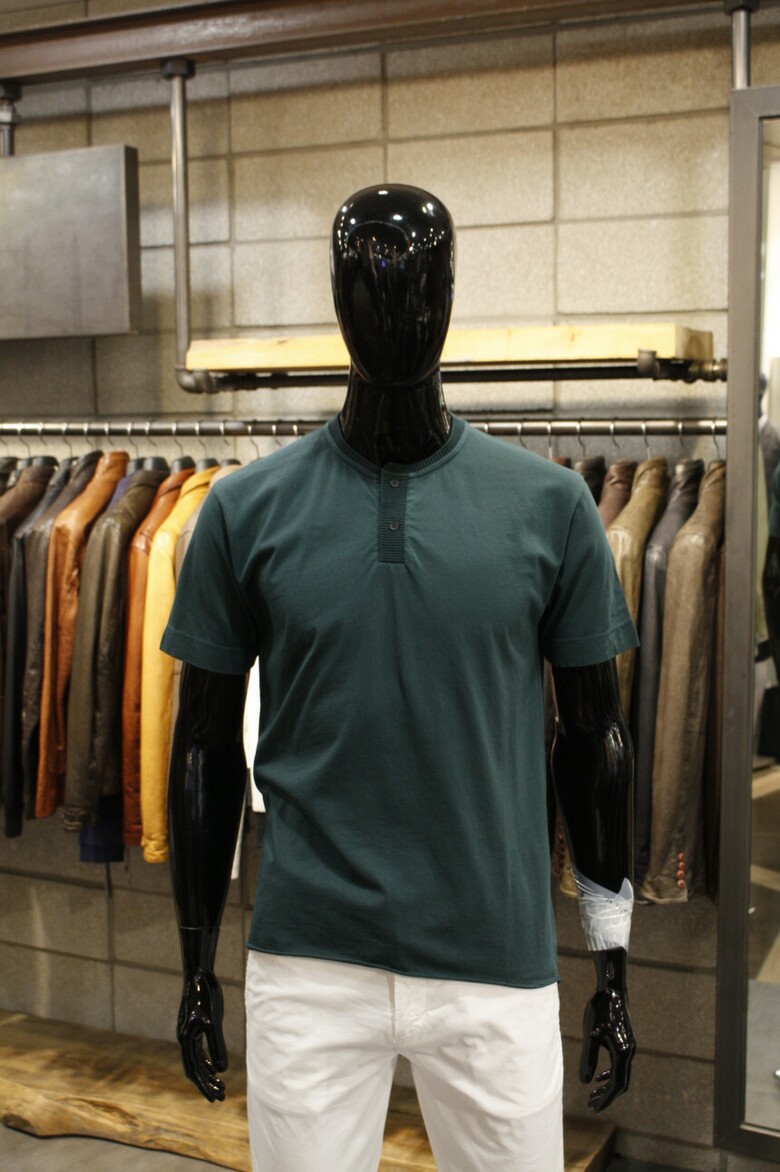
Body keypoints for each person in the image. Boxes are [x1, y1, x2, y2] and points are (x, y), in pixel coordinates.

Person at [162, 184, 637, 1172]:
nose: (397, 308)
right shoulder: (243, 511)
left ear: (452, 295)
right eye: (368, 280)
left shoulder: (552, 508)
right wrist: (196, 962)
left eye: (421, 282)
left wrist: (612, 954)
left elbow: (595, 740)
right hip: (308, 962)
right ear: (335, 298)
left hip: (493, 962)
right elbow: (201, 744)